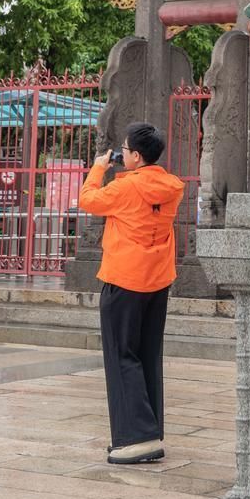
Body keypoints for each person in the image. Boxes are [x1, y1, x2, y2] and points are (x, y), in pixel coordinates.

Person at [79, 122, 184, 465]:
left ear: (136, 157)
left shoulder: (126, 189)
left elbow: (87, 200)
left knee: (122, 355)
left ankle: (136, 437)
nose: (121, 153)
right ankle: (149, 431)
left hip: (124, 279)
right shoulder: (172, 187)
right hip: (158, 280)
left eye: (124, 149)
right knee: (147, 354)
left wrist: (99, 167)